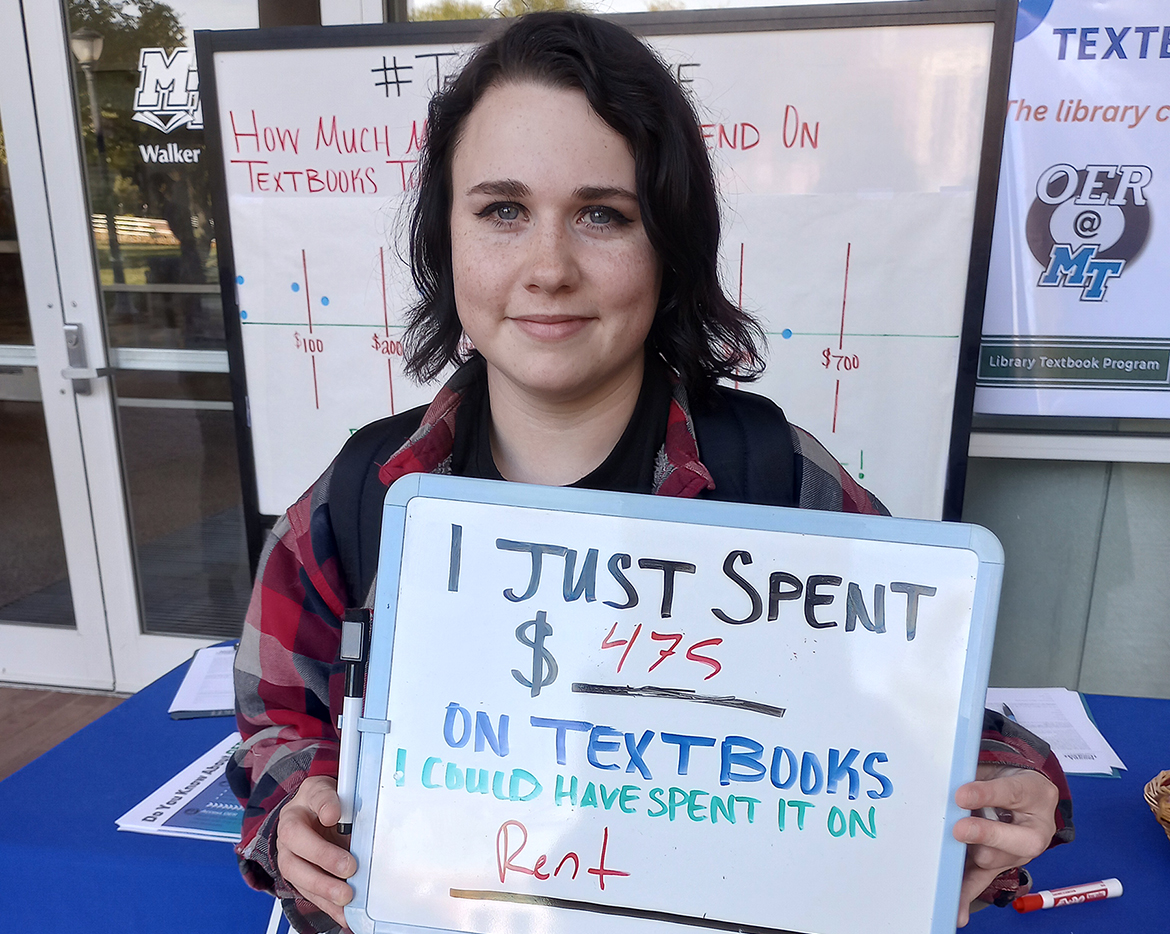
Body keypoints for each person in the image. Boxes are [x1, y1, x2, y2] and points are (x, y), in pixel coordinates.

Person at [228, 12, 1072, 934]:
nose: (548, 268)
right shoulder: (368, 492)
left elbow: (944, 717)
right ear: (447, 236)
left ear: (668, 246)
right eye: (502, 210)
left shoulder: (776, 480)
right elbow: (278, 716)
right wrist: (294, 813)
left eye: (603, 214)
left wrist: (1015, 788)